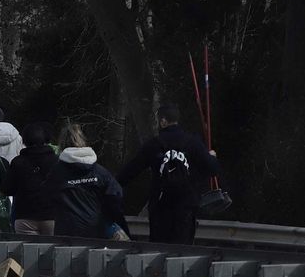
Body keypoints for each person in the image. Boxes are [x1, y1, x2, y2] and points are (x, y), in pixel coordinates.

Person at [116, 103, 221, 244]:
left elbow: (129, 172)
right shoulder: (193, 143)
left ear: (163, 121)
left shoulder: (153, 145)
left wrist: (110, 186)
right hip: (185, 208)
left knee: (159, 251)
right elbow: (213, 169)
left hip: (160, 208)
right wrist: (211, 157)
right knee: (182, 253)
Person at [47, 122, 129, 239]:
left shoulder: (56, 173)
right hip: (97, 229)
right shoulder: (100, 172)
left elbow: (46, 196)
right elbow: (116, 195)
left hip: (66, 232)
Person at [9, 122, 59, 235]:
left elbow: (8, 189)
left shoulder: (18, 162)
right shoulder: (56, 161)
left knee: (27, 251)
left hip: (25, 216)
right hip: (51, 215)